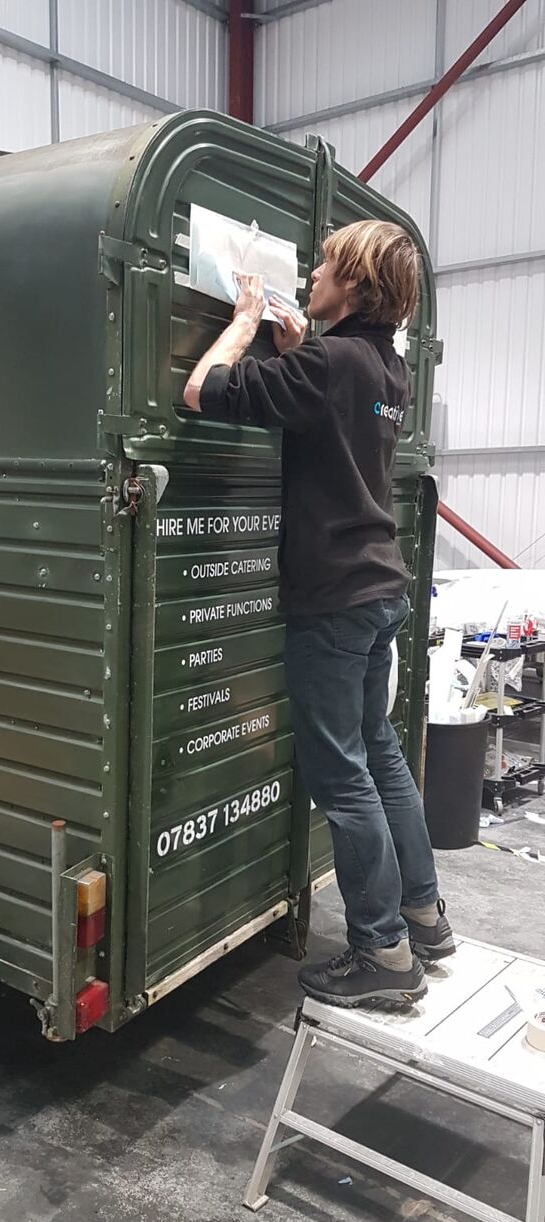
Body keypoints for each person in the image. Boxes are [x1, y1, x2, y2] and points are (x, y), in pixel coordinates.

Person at [183, 219, 455, 1008]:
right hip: (379, 590)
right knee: (381, 755)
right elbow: (332, 400)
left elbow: (202, 391)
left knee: (342, 779)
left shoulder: (331, 363)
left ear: (358, 288)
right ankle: (424, 918)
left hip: (332, 601)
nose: (310, 275)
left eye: (326, 267)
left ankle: (383, 957)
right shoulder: (385, 368)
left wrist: (241, 324)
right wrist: (302, 339)